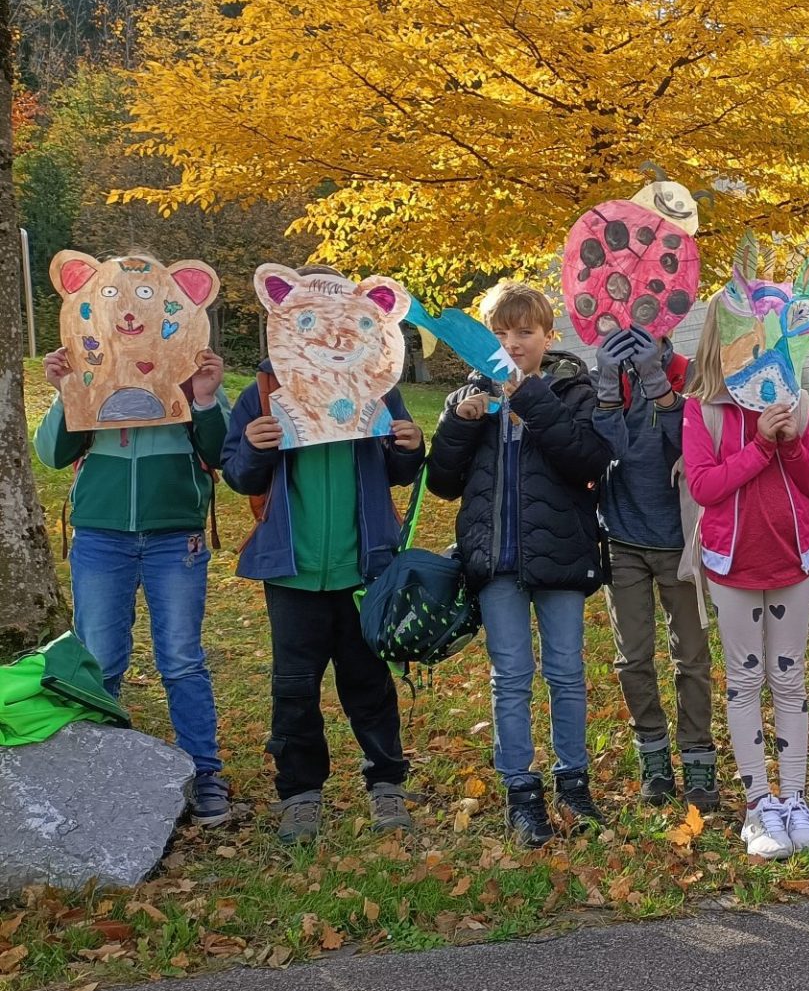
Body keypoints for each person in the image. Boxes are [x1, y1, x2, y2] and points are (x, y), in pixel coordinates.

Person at [223, 267, 426, 844]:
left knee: (369, 683)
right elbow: (238, 473)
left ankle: (386, 785)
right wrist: (257, 450)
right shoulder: (263, 390)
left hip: (364, 566)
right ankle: (301, 795)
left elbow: (399, 465)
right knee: (294, 686)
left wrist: (411, 445)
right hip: (292, 572)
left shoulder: (377, 383)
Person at [427, 281, 613, 847]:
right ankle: (521, 792)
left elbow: (588, 458)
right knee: (510, 677)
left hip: (561, 555)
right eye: (500, 333)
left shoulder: (572, 388)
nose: (512, 342)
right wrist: (459, 423)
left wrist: (529, 396)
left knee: (565, 672)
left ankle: (573, 785)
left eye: (524, 332)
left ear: (547, 336)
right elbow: (441, 483)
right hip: (494, 564)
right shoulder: (468, 396)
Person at [36, 341, 233, 825]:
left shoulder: (190, 371)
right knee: (99, 657)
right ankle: (99, 767)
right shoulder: (87, 367)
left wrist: (205, 398)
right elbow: (51, 454)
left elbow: (222, 451)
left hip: (174, 536)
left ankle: (203, 771)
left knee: (183, 658)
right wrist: (65, 393)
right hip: (102, 536)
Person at [681, 307, 809, 860]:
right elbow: (704, 486)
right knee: (744, 683)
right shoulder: (705, 410)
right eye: (743, 339)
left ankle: (794, 799)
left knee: (790, 683)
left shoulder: (799, 402)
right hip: (733, 569)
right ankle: (758, 806)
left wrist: (790, 441)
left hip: (791, 564)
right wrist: (761, 447)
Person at [591, 326, 718, 810]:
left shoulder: (691, 375)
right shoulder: (609, 378)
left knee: (691, 656)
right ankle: (653, 756)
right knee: (633, 657)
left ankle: (698, 756)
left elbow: (688, 444)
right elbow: (609, 451)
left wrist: (659, 384)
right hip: (623, 539)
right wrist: (610, 383)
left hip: (680, 540)